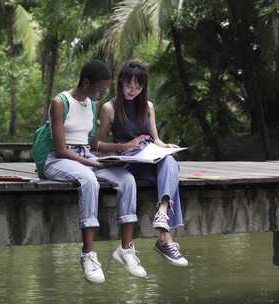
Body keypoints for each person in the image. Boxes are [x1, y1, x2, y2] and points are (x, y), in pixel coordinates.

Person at [43, 60, 146, 284]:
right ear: (86, 82)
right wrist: (91, 164)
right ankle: (88, 254)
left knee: (127, 179)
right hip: (59, 159)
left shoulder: (90, 104)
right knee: (89, 180)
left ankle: (126, 250)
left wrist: (122, 149)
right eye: (100, 90)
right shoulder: (60, 102)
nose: (102, 95)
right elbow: (60, 149)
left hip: (86, 157)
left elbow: (91, 144)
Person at [96, 60, 188, 267]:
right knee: (171, 176)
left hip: (150, 156)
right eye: (129, 85)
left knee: (171, 161)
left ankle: (162, 212)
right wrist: (125, 146)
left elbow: (155, 139)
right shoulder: (109, 108)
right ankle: (165, 239)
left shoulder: (148, 107)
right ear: (121, 83)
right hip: (129, 161)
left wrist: (165, 146)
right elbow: (97, 145)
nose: (133, 90)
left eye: (138, 87)